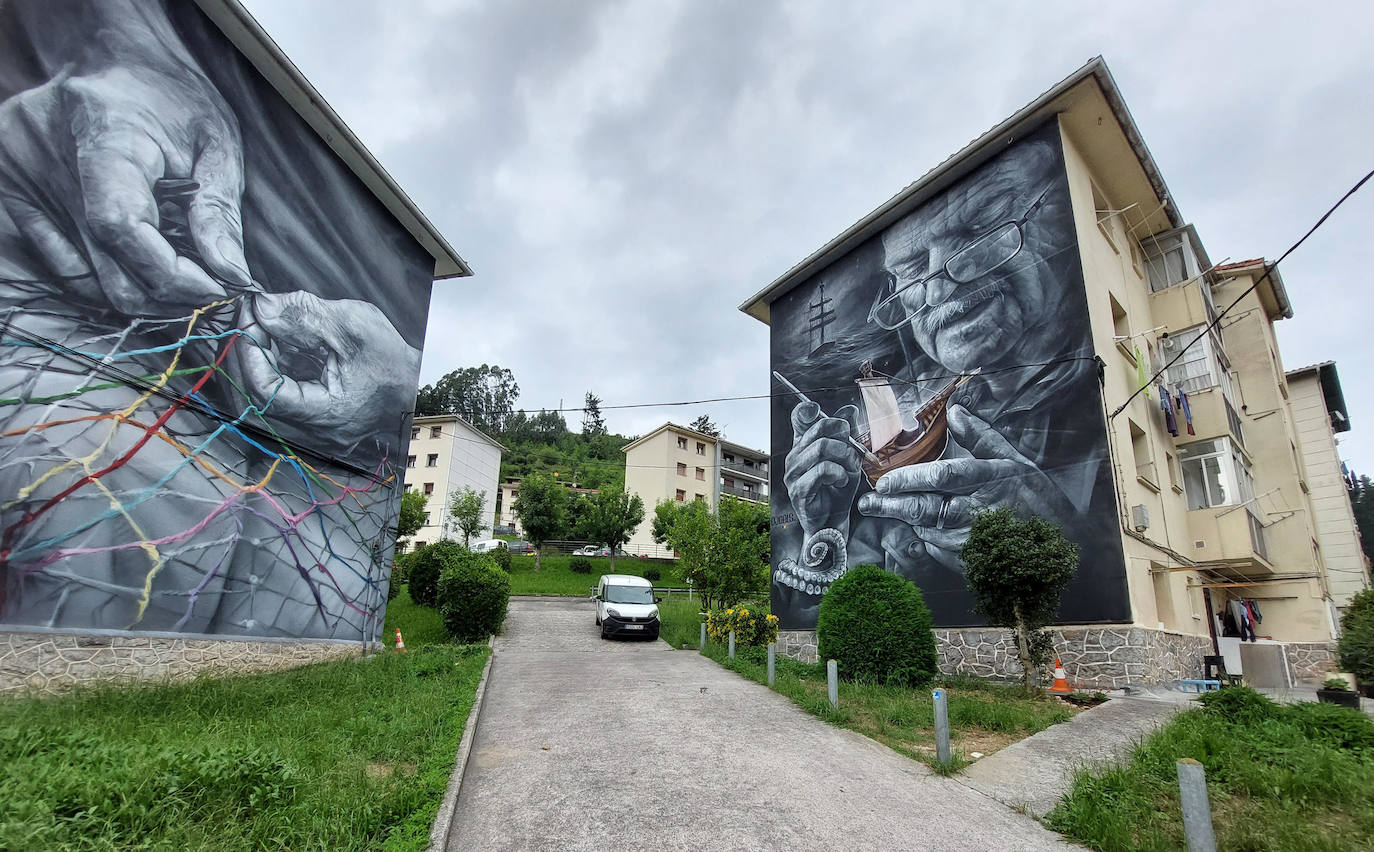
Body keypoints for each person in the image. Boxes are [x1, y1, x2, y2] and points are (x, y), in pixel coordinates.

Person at [0, 0, 419, 638]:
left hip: (323, 473)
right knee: (114, 533)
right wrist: (123, 49)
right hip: (80, 333)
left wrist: (398, 386)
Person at [776, 134, 1115, 623]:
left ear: (1060, 214)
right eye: (913, 268)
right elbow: (822, 625)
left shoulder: (1098, 401)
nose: (938, 283)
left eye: (980, 228)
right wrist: (824, 531)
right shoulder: (915, 416)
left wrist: (1069, 553)